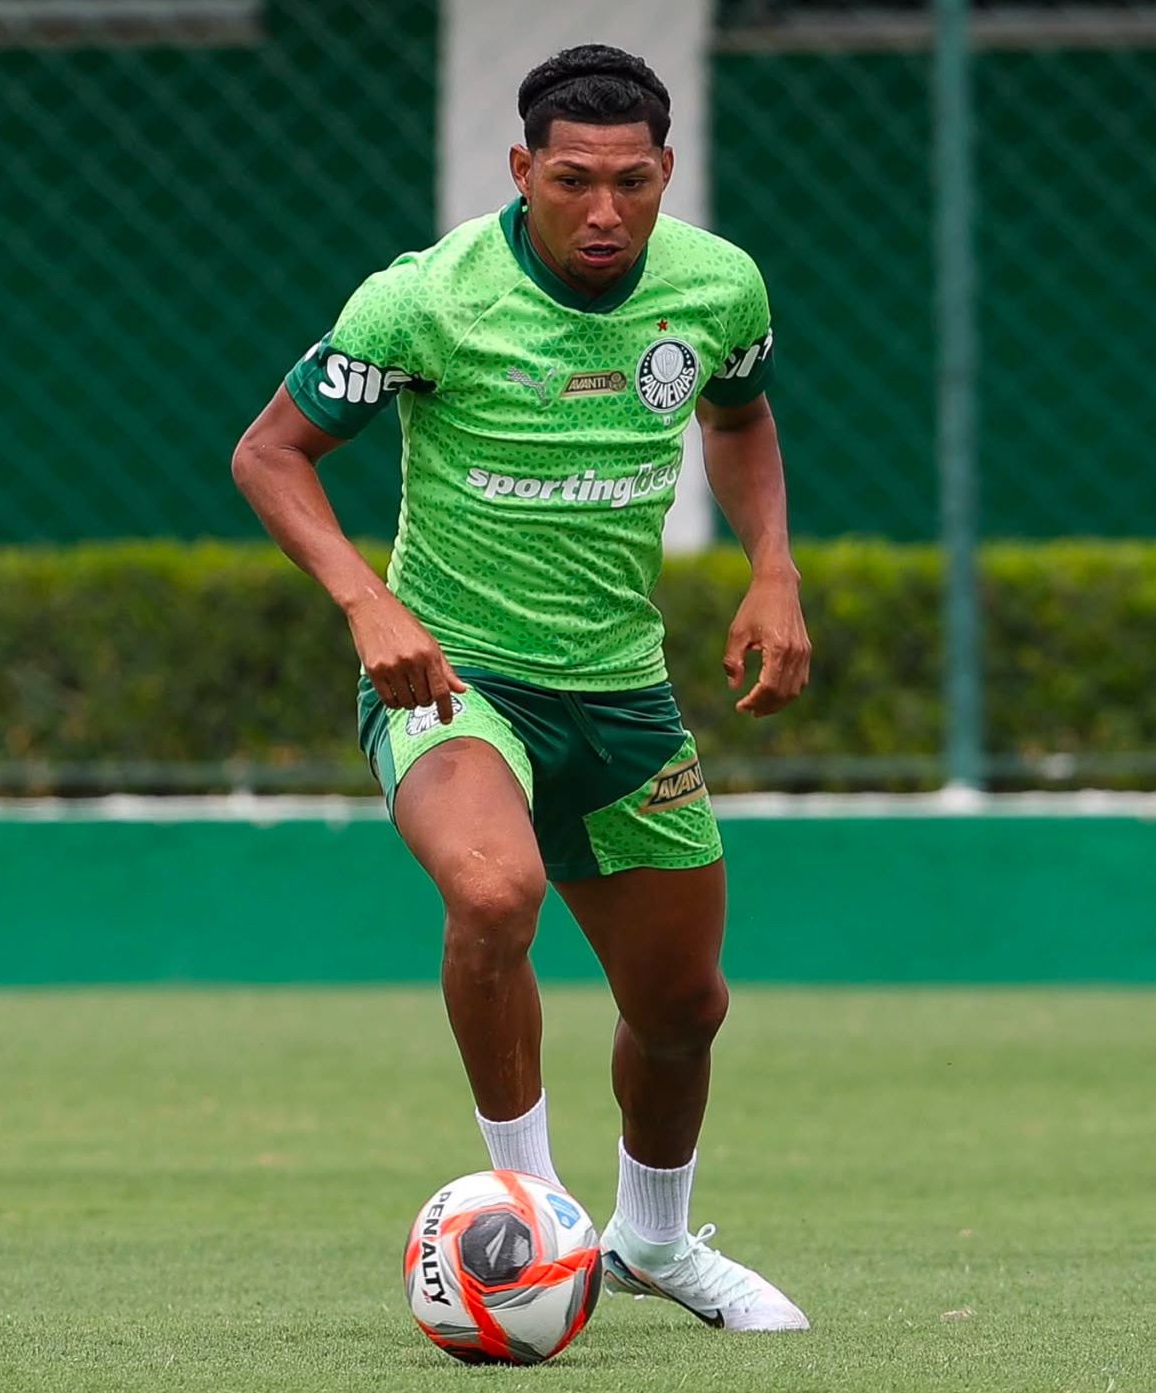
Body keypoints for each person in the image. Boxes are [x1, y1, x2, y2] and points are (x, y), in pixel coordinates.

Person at [232, 43, 812, 1334]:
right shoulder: (426, 299)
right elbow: (269, 454)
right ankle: (534, 1211)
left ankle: (651, 1243)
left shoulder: (717, 287)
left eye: (632, 182)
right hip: (453, 675)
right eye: (570, 181)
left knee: (683, 1005)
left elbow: (738, 414)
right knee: (494, 890)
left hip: (618, 692)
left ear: (664, 173)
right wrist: (366, 602)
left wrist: (771, 567)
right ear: (520, 171)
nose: (603, 212)